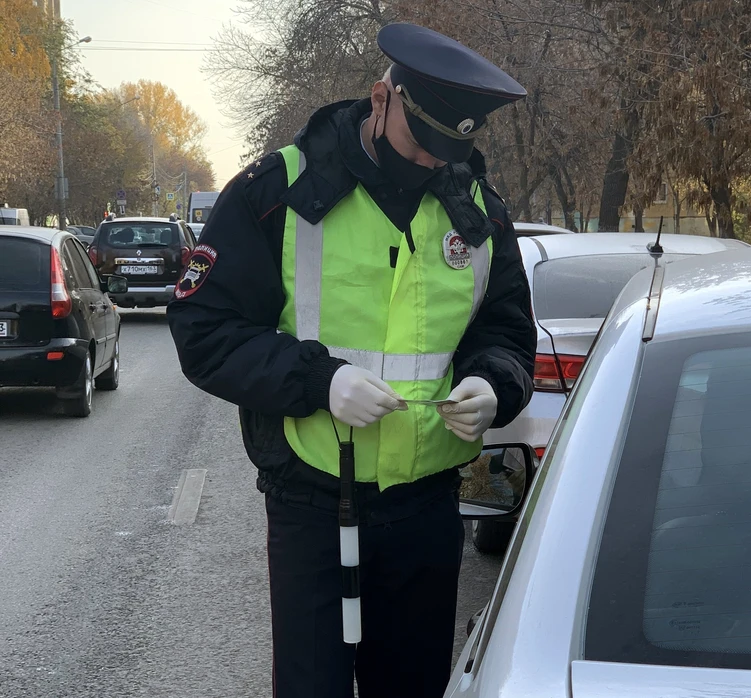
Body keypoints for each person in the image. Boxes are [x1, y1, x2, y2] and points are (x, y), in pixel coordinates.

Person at [167, 22, 537, 698]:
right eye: (421, 143)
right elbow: (203, 326)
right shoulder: (276, 191)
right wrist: (318, 380)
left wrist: (493, 384)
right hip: (313, 503)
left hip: (425, 510)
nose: (431, 163)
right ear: (381, 99)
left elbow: (508, 332)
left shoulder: (477, 210)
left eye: (448, 151)